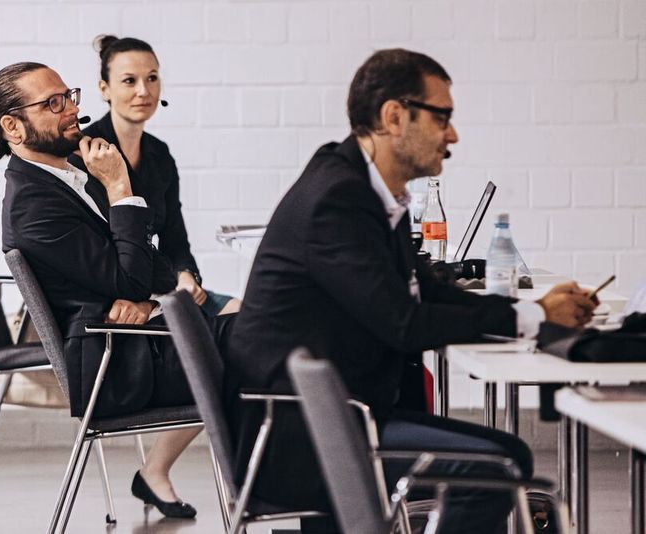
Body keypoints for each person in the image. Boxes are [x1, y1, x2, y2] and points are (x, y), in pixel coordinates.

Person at [226, 49, 597, 533]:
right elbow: (404, 323)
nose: (453, 135)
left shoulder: (364, 185)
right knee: (499, 466)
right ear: (394, 117)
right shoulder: (340, 197)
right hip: (304, 439)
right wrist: (530, 319)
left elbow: (422, 293)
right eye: (442, 117)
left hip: (326, 417)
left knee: (507, 456)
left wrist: (530, 310)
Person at [0, 61, 234, 518]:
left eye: (69, 95)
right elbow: (136, 274)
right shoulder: (33, 207)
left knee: (276, 334)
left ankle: (298, 495)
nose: (72, 108)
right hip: (120, 363)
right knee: (276, 338)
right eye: (53, 103)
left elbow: (149, 270)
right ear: (13, 126)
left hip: (144, 336)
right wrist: (119, 184)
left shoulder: (68, 171)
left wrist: (144, 295)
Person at [69, 34, 240, 317]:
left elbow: (175, 237)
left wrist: (186, 275)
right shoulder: (84, 153)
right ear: (104, 89)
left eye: (151, 78)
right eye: (129, 81)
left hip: (160, 287)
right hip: (118, 300)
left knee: (241, 314)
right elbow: (90, 256)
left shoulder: (159, 155)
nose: (143, 91)